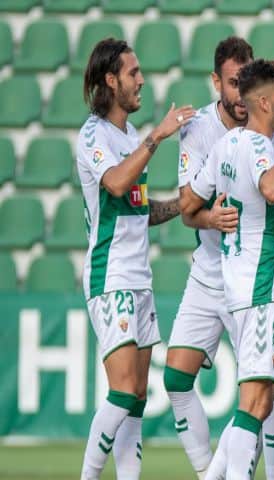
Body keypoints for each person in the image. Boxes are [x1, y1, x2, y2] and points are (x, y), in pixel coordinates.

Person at [182, 59, 274, 480]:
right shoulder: (262, 146)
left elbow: (189, 204)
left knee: (257, 400)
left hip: (236, 286)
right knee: (256, 403)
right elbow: (273, 188)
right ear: (263, 101)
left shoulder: (225, 146)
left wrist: (212, 217)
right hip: (260, 290)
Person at [78, 38, 195, 480]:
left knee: (139, 398)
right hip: (111, 277)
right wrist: (158, 136)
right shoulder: (94, 135)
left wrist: (184, 205)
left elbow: (137, 209)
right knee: (123, 392)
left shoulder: (126, 136)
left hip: (138, 279)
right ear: (111, 80)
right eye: (133, 73)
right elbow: (113, 183)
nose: (141, 80)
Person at [163, 36, 250, 480]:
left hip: (250, 276)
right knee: (176, 381)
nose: (241, 93)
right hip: (208, 271)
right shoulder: (197, 129)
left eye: (246, 81)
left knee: (259, 393)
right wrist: (210, 220)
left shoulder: (265, 124)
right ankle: (207, 473)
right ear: (217, 81)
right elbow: (185, 208)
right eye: (234, 83)